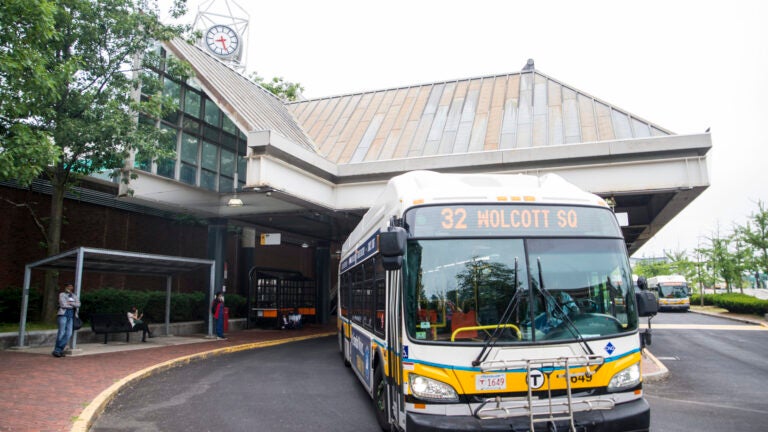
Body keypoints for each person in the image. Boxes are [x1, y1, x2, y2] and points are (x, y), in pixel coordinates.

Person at [52, 283, 80, 358]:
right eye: (68, 287)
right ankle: (58, 351)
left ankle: (58, 350)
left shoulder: (74, 295)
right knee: (61, 332)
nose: (70, 288)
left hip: (71, 316)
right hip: (63, 315)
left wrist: (70, 303)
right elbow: (63, 305)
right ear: (65, 287)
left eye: (71, 287)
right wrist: (72, 304)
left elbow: (78, 304)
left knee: (68, 333)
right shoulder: (62, 294)